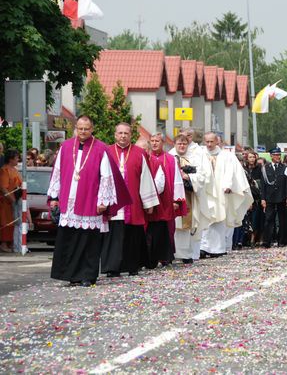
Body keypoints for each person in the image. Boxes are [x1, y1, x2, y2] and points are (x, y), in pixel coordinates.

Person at [48, 116, 131, 287]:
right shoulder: (66, 146)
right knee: (69, 240)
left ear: (92, 129)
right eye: (80, 128)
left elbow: (106, 177)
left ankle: (87, 275)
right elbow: (57, 173)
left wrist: (103, 201)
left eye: (86, 128)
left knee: (88, 241)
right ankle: (72, 275)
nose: (83, 132)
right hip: (68, 201)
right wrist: (54, 197)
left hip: (90, 200)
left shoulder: (100, 148)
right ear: (76, 128)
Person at [100, 124, 159, 277]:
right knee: (113, 237)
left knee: (133, 236)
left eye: (126, 133)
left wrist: (149, 203)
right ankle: (112, 268)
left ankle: (133, 265)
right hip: (112, 203)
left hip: (132, 203)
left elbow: (145, 178)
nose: (123, 136)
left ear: (131, 135)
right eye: (120, 133)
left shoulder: (139, 153)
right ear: (115, 135)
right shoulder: (106, 151)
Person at [201, 132, 253, 256]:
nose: (209, 144)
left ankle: (217, 248)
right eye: (207, 141)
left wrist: (228, 185)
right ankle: (203, 247)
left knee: (219, 219)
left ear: (217, 142)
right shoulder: (200, 155)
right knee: (205, 219)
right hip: (205, 192)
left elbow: (231, 172)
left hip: (220, 192)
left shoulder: (226, 156)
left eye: (211, 141)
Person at [169, 133, 212, 263]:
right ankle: (173, 253)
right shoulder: (169, 157)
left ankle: (186, 254)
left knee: (187, 226)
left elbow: (202, 176)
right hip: (172, 197)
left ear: (188, 145)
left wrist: (188, 177)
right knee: (173, 226)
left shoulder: (194, 158)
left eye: (184, 144)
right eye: (179, 143)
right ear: (174, 144)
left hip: (189, 196)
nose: (182, 146)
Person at [146, 132, 186, 268]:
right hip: (150, 200)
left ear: (162, 143)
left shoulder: (170, 159)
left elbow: (177, 180)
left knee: (166, 229)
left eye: (157, 141)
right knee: (150, 230)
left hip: (166, 201)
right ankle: (150, 259)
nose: (154, 143)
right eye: (152, 141)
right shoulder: (146, 158)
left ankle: (165, 257)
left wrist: (176, 200)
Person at [260, 147, 287, 247]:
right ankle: (267, 241)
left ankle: (281, 241)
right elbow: (263, 185)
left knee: (282, 220)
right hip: (269, 197)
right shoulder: (265, 168)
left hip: (281, 197)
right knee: (268, 220)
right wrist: (263, 198)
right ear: (271, 156)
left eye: (279, 155)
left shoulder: (284, 167)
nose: (278, 156)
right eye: (275, 155)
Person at [0, 149, 21, 253]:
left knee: (14, 223)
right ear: (11, 159)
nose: (18, 159)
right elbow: (3, 188)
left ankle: (12, 243)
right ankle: (4, 244)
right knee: (6, 222)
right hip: (6, 202)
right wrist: (12, 200)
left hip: (15, 200)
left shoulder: (15, 169)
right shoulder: (4, 170)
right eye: (17, 157)